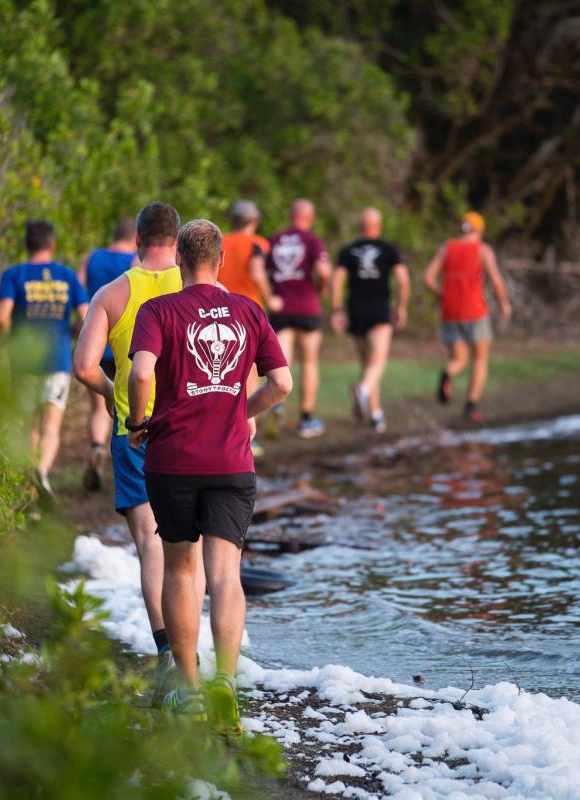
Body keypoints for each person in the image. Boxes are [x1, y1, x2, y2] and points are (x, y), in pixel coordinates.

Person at [127, 219, 292, 733]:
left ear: (179, 258)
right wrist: (242, 412)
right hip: (231, 462)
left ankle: (191, 690)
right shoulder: (249, 310)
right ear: (221, 261)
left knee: (180, 570)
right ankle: (225, 683)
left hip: (173, 461)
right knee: (225, 575)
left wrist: (138, 422)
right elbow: (282, 384)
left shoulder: (157, 310)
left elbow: (138, 373)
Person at [72, 202, 202, 694]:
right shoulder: (197, 288)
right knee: (191, 549)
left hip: (137, 431)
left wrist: (109, 395)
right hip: (191, 431)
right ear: (178, 240)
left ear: (138, 239)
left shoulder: (113, 292)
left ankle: (170, 653)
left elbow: (84, 365)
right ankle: (198, 653)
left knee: (152, 545)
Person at [0, 220, 89, 505]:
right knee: (50, 428)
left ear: (26, 245)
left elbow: (1, 317)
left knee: (29, 428)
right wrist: (71, 334)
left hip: (24, 364)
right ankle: (42, 472)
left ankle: (30, 493)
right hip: (57, 362)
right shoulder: (67, 276)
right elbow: (85, 317)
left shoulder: (14, 274)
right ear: (52, 245)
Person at [424, 211, 512, 423]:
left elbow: (428, 278)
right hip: (475, 311)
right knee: (480, 359)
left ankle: (448, 372)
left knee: (459, 359)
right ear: (479, 230)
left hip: (450, 312)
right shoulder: (482, 250)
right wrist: (504, 304)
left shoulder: (447, 248)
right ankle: (471, 406)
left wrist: (442, 294)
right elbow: (496, 279)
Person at [331, 207, 410, 433]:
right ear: (379, 225)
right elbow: (403, 281)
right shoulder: (388, 249)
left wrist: (337, 310)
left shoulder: (349, 250)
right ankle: (363, 392)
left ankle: (375, 414)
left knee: (367, 363)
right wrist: (402, 308)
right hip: (378, 308)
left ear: (361, 226)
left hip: (355, 308)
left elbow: (337, 280)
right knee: (378, 362)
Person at [78, 218, 139, 490]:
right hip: (123, 344)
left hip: (96, 342)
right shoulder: (135, 263)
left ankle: (96, 448)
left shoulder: (92, 258)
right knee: (128, 403)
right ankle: (125, 456)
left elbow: (79, 289)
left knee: (100, 405)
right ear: (136, 236)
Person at [220, 200, 280, 457]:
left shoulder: (218, 241)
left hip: (218, 308)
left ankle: (219, 429)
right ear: (253, 222)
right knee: (248, 374)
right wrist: (271, 299)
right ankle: (244, 434)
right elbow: (257, 273)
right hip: (247, 312)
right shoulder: (258, 243)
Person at [267, 198, 331, 438]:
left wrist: (268, 296)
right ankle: (306, 418)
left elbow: (262, 271)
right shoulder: (312, 241)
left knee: (283, 362)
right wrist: (321, 288)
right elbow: (323, 271)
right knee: (310, 362)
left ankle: (278, 404)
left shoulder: (274, 240)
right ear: (310, 217)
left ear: (290, 215)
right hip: (307, 306)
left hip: (281, 308)